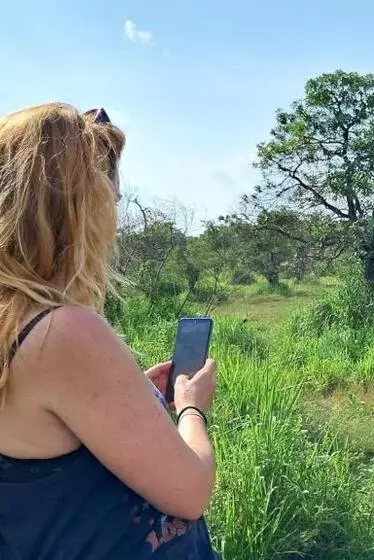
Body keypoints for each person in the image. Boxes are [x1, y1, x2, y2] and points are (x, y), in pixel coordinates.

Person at [0, 103, 221, 559]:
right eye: (108, 199)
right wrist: (190, 407)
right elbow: (191, 492)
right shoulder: (60, 331)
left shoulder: (14, 325)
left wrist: (132, 398)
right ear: (76, 209)